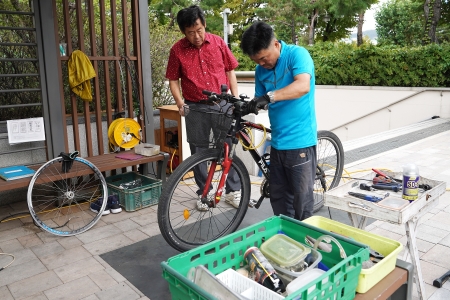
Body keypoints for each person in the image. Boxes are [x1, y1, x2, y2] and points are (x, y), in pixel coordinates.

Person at [165, 5, 241, 211]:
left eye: (199, 30)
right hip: (195, 107)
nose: (196, 36)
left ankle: (232, 191)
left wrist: (235, 99)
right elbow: (173, 80)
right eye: (191, 33)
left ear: (204, 24)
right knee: (198, 150)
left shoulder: (218, 43)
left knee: (228, 146)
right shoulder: (177, 50)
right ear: (184, 32)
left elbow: (230, 71)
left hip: (223, 104)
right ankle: (204, 193)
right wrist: (180, 103)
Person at [241, 21, 318, 221]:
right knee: (279, 200)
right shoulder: (260, 71)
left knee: (301, 203)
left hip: (300, 142)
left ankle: (308, 245)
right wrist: (252, 105)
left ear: (275, 44)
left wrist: (270, 97)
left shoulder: (297, 55)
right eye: (257, 61)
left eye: (264, 59)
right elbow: (261, 101)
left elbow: (302, 86)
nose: (262, 64)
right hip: (277, 143)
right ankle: (286, 242)